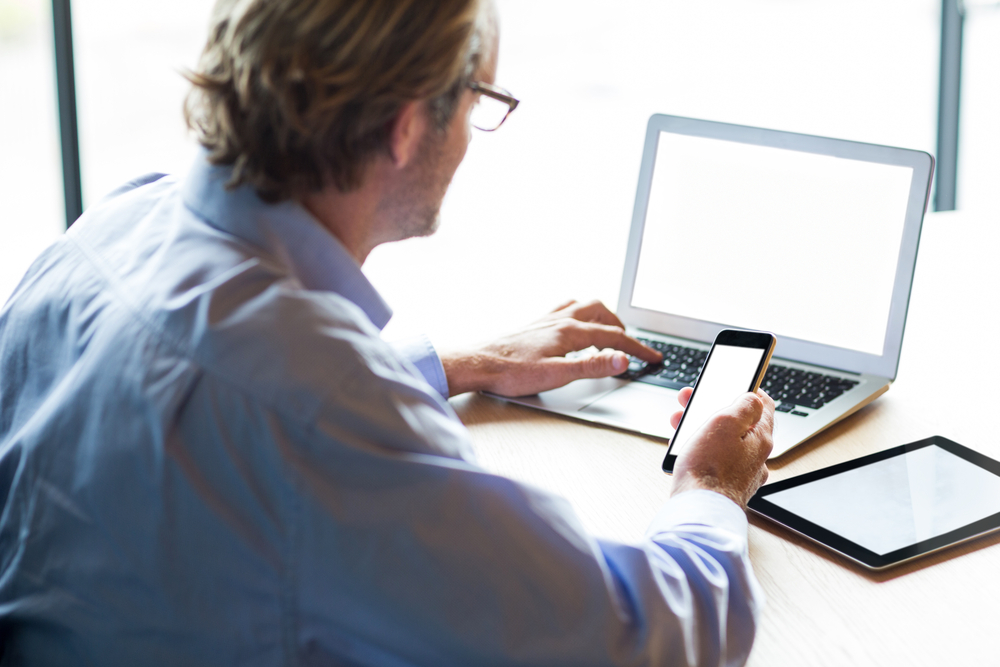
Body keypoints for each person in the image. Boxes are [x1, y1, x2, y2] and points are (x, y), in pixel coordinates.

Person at [0, 0, 775, 664]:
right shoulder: (319, 407)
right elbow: (628, 640)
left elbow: (226, 422)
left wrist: (455, 363)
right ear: (406, 125)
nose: (475, 130)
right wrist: (709, 489)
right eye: (478, 100)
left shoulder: (103, 235)